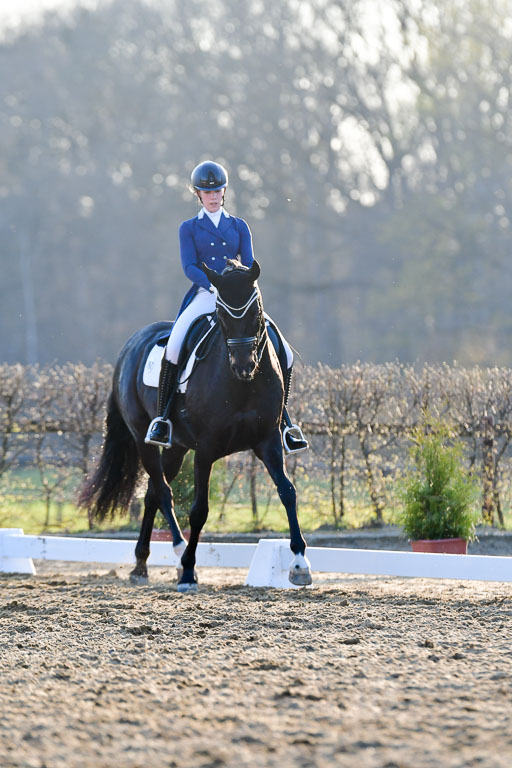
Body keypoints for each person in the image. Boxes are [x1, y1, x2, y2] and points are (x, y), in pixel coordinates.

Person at [145, 160, 308, 454]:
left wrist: (237, 286)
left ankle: (284, 421)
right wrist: (214, 284)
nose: (213, 195)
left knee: (282, 348)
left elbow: (247, 263)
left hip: (238, 296)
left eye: (218, 190)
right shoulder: (189, 228)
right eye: (207, 192)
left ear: (224, 192)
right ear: (198, 193)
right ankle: (162, 418)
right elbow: (189, 266)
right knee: (174, 344)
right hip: (206, 292)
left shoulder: (239, 226)